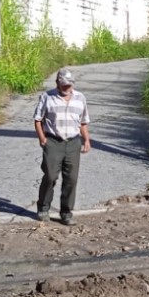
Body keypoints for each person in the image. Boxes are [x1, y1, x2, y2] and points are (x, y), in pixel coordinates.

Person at [33, 67, 91, 225]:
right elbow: (38, 119)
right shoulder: (47, 97)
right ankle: (43, 207)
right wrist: (42, 139)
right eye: (64, 85)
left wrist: (86, 140)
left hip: (73, 142)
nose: (67, 88)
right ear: (57, 83)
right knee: (50, 175)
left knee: (71, 179)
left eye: (69, 85)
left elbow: (83, 121)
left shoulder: (80, 98)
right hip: (53, 141)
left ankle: (66, 212)